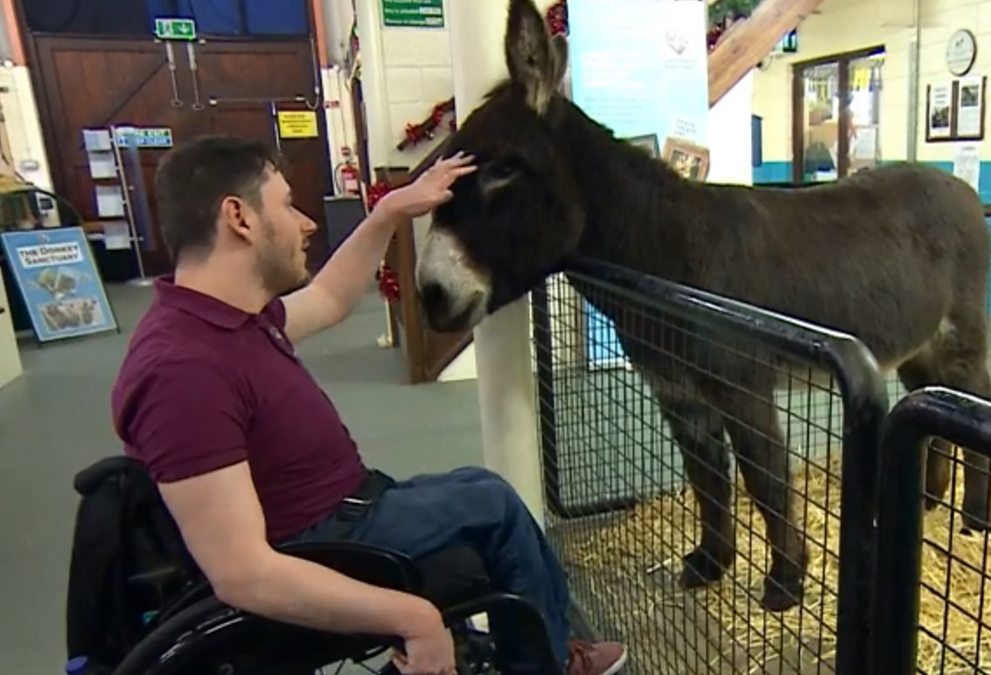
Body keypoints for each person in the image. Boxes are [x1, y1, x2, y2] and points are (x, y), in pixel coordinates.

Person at [110, 135, 628, 675]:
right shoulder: (181, 371)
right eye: (287, 204)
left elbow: (331, 299)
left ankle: (553, 648)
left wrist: (390, 212)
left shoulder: (229, 317)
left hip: (347, 508)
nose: (307, 222)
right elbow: (243, 574)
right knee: (494, 510)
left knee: (483, 488)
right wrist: (414, 617)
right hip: (322, 542)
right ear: (238, 217)